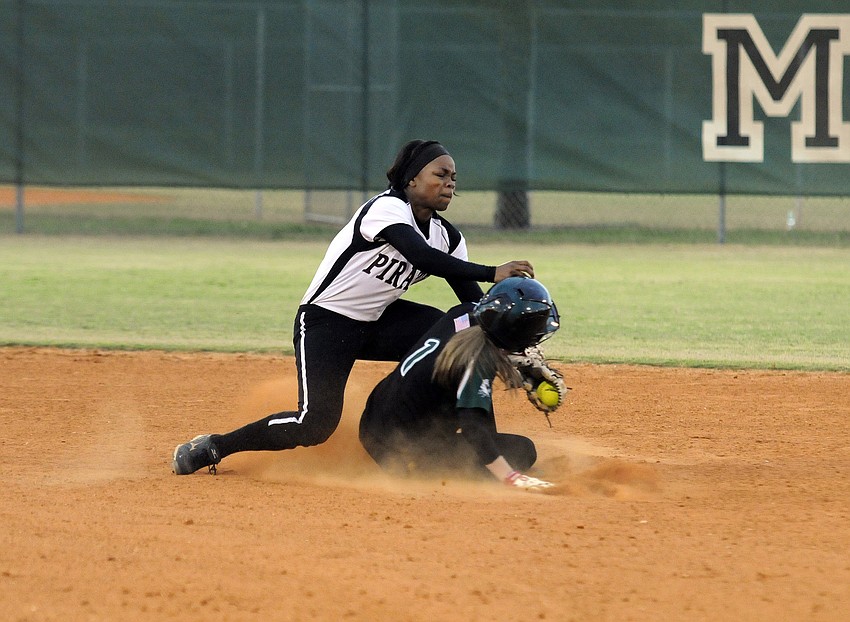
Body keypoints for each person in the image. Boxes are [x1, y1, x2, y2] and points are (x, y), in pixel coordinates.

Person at [172, 139, 534, 475]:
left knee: (453, 336)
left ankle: (430, 436)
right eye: (440, 174)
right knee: (314, 425)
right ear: (411, 179)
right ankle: (216, 447)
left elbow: (474, 307)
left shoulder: (449, 237)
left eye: (454, 177)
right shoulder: (386, 208)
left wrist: (518, 356)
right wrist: (493, 272)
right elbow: (420, 255)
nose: (450, 183)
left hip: (381, 321)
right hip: (326, 321)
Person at [358, 276, 560, 490]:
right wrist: (510, 476)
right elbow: (473, 426)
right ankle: (438, 470)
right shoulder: (476, 361)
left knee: (466, 401)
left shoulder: (464, 313)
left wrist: (515, 363)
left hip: (373, 423)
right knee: (523, 450)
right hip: (401, 454)